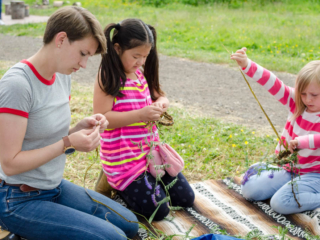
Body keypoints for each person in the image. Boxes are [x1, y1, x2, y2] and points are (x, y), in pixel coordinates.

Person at [0, 6, 138, 240]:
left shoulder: (63, 75)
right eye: (83, 53)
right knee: (114, 238)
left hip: (53, 186)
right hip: (17, 199)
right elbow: (10, 164)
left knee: (130, 223)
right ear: (61, 39)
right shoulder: (18, 85)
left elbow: (45, 140)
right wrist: (67, 142)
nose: (84, 65)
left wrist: (78, 130)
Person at [93, 18, 195, 221]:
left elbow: (161, 96)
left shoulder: (140, 74)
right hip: (125, 162)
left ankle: (144, 184)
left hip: (150, 157)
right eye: (136, 56)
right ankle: (117, 185)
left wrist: (161, 104)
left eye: (145, 56)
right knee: (159, 211)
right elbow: (102, 118)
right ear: (117, 48)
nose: (140, 62)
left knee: (186, 198)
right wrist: (140, 115)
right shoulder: (108, 77)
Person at [231, 47, 320, 215]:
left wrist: (301, 142)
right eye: (303, 93)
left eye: (314, 95)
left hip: (315, 175)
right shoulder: (297, 103)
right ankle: (267, 170)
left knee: (280, 204)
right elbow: (273, 83)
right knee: (250, 191)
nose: (307, 99)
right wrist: (247, 64)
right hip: (290, 169)